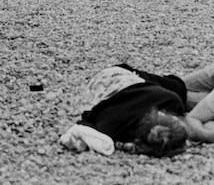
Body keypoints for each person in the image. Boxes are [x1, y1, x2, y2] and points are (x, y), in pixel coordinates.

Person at [60, 64, 189, 157]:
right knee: (180, 88)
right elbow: (83, 124)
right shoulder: (112, 128)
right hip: (111, 82)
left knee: (179, 87)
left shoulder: (173, 101)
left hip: (121, 75)